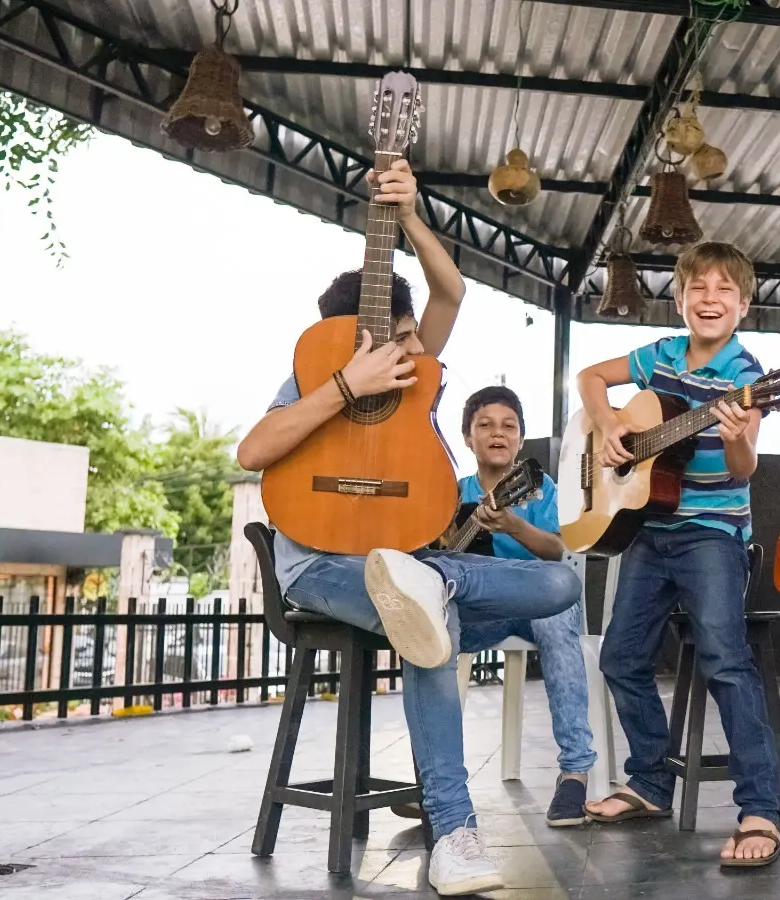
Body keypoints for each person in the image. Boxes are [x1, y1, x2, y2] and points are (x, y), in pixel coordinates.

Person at [235, 159, 583, 896]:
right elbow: (253, 452)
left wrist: (412, 212)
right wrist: (343, 387)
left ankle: (429, 582)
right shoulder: (313, 374)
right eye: (371, 344)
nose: (392, 355)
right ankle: (455, 834)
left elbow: (450, 290)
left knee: (555, 580)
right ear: (335, 339)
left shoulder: (414, 362)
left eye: (398, 341)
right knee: (433, 632)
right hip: (323, 566)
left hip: (412, 559)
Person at [576, 241, 780, 867]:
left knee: (724, 660)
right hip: (650, 528)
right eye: (698, 288)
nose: (710, 299)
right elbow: (590, 378)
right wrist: (610, 424)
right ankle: (649, 781)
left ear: (744, 305)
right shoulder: (661, 354)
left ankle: (760, 809)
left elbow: (745, 466)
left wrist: (734, 436)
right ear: (680, 298)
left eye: (724, 290)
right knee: (618, 656)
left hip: (713, 535)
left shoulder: (748, 379)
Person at [390, 385, 596, 827]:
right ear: (468, 438)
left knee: (559, 615)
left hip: (537, 607)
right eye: (485, 425)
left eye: (509, 426)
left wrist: (514, 526)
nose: (497, 433)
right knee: (428, 626)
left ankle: (575, 773)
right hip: (476, 612)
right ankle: (434, 782)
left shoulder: (539, 491)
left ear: (521, 440)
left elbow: (560, 555)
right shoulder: (449, 493)